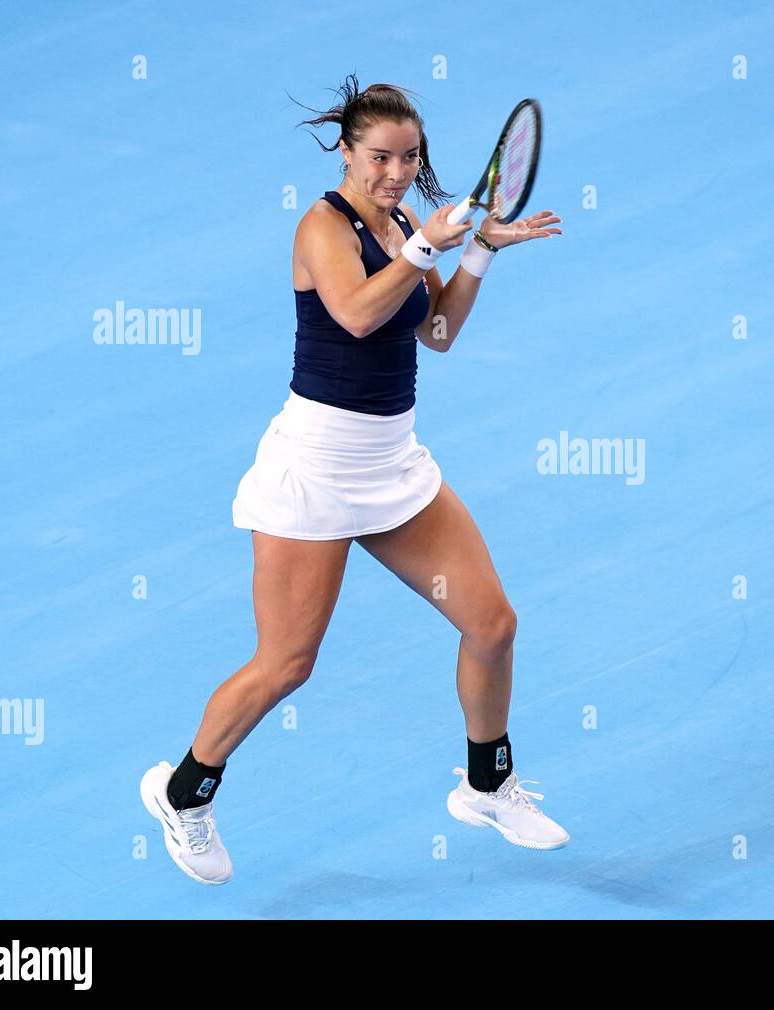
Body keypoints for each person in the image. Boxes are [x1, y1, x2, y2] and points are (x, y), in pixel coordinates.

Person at [140, 76, 567, 885]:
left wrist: (477, 250)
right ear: (347, 150)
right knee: (287, 664)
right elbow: (361, 315)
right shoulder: (322, 227)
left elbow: (434, 333)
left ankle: (486, 783)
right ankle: (184, 792)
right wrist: (426, 249)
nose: (397, 173)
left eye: (410, 157)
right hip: (315, 470)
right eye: (381, 157)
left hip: (394, 465)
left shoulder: (411, 220)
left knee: (493, 625)